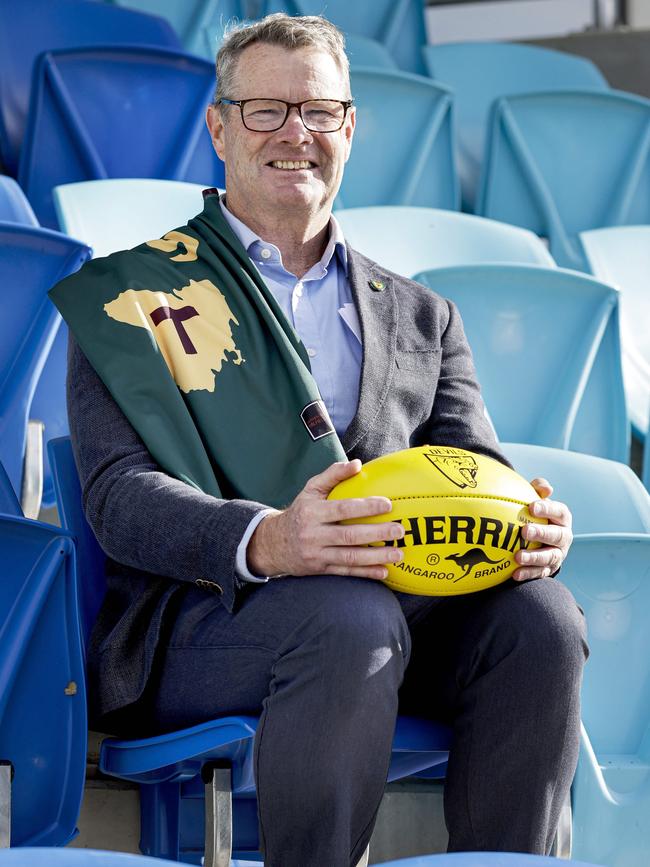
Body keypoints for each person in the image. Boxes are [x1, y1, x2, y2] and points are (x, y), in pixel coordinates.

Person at [58, 14, 587, 867]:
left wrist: (532, 526)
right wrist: (269, 540)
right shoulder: (130, 300)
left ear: (350, 128)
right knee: (348, 612)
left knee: (544, 620)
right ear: (220, 128)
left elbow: (475, 469)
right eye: (265, 110)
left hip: (399, 605)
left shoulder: (423, 314)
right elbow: (120, 496)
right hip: (205, 621)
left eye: (317, 111)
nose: (293, 134)